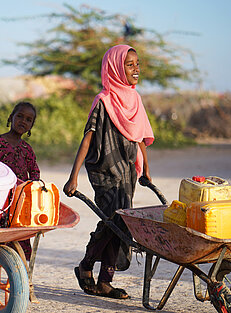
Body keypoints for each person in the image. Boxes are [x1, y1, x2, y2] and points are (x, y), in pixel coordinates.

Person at [63, 45, 154, 299]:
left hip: (127, 172)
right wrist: (73, 176)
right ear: (115, 68)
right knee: (115, 219)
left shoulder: (134, 99)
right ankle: (89, 267)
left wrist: (146, 169)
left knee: (120, 221)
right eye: (129, 64)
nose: (136, 69)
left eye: (137, 63)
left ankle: (101, 278)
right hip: (105, 171)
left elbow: (139, 137)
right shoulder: (104, 101)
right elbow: (88, 139)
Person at [0, 101, 40, 260]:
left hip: (20, 202)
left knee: (19, 238)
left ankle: (18, 278)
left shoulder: (27, 149)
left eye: (28, 120)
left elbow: (34, 170)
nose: (23, 121)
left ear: (31, 125)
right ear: (11, 117)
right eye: (20, 116)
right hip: (0, 200)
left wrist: (33, 185)